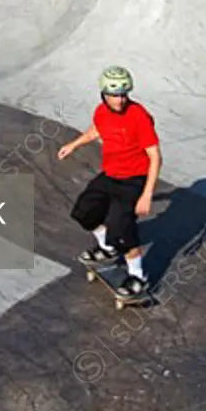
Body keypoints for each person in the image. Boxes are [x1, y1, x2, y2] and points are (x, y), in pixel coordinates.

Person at [58, 66, 161, 297]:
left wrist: (147, 194)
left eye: (124, 94)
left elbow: (155, 156)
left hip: (134, 180)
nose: (120, 100)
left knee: (122, 229)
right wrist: (74, 144)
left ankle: (138, 276)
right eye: (115, 95)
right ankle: (106, 247)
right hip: (110, 175)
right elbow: (96, 130)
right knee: (84, 211)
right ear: (104, 94)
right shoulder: (102, 112)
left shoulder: (139, 116)